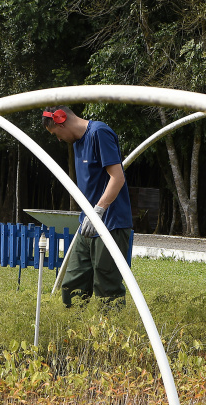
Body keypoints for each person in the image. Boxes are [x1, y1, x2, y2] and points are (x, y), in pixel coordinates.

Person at [42, 105, 133, 307]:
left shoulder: (99, 132)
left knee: (107, 288)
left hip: (110, 223)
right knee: (72, 285)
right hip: (88, 224)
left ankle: (110, 335)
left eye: (56, 133)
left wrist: (98, 211)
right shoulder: (77, 143)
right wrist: (90, 216)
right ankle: (74, 333)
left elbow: (117, 178)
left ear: (61, 121)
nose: (58, 139)